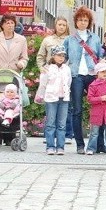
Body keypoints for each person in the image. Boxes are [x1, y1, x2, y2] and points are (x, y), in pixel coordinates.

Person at [0, 14, 29, 146]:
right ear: (2, 25)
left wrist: (22, 64)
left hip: (14, 76)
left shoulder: (21, 40)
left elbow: (24, 58)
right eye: (7, 22)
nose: (10, 25)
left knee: (13, 104)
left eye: (12, 23)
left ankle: (11, 135)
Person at [63, 6, 102, 155]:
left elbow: (99, 57)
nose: (82, 23)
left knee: (97, 108)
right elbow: (63, 57)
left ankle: (98, 143)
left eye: (85, 20)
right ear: (76, 22)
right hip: (76, 75)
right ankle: (79, 144)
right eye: (80, 20)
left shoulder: (95, 39)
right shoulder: (69, 39)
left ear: (89, 22)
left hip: (92, 75)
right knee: (77, 110)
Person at [36, 16, 73, 145]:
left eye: (64, 25)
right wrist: (42, 69)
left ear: (67, 26)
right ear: (55, 25)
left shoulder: (70, 39)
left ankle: (67, 135)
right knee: (50, 108)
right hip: (50, 74)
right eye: (59, 24)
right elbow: (40, 56)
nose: (61, 27)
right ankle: (49, 136)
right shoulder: (48, 40)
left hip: (64, 73)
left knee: (65, 107)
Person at [35, 46, 72, 156]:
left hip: (64, 98)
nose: (61, 58)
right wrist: (40, 96)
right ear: (53, 56)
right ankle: (50, 146)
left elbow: (69, 82)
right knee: (51, 123)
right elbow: (43, 84)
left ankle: (60, 146)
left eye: (63, 55)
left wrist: (67, 92)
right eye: (59, 55)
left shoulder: (67, 69)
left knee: (62, 124)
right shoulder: (47, 68)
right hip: (51, 98)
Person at [85, 62, 106, 156]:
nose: (104, 74)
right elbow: (90, 99)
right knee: (94, 132)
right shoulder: (93, 85)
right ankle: (91, 148)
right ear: (97, 73)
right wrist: (100, 99)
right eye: (102, 71)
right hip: (97, 112)